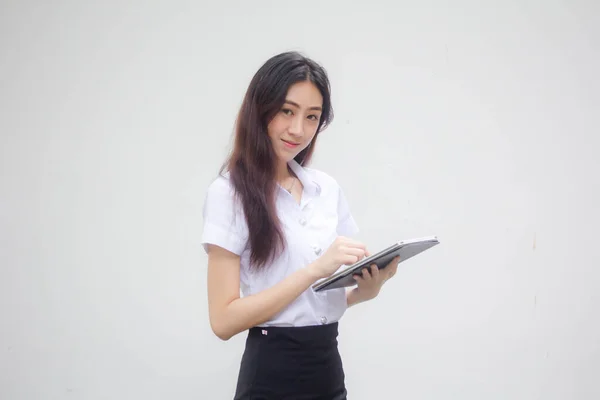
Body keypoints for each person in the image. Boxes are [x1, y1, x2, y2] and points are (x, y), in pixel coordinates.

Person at [201, 51, 400, 399]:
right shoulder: (228, 194)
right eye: (287, 112)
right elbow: (223, 321)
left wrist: (363, 292)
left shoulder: (325, 189)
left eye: (312, 117)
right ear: (260, 110)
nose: (298, 130)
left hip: (327, 369)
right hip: (271, 374)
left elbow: (311, 305)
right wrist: (315, 270)